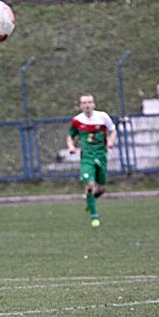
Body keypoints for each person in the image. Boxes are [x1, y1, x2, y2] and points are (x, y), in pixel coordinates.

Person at [66, 94, 116, 227]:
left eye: (89, 102)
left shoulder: (103, 117)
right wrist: (71, 146)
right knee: (90, 185)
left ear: (94, 104)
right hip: (87, 158)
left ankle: (90, 201)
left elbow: (113, 130)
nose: (87, 105)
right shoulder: (77, 121)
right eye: (84, 103)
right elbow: (70, 136)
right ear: (80, 106)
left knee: (102, 189)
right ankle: (94, 217)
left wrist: (111, 141)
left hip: (101, 156)